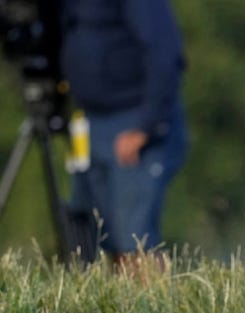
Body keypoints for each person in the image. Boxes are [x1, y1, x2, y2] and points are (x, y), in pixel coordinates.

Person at [59, 0, 189, 271]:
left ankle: (152, 311)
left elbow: (164, 49)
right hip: (90, 120)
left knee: (136, 240)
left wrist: (146, 126)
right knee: (108, 238)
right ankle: (122, 308)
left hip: (133, 121)